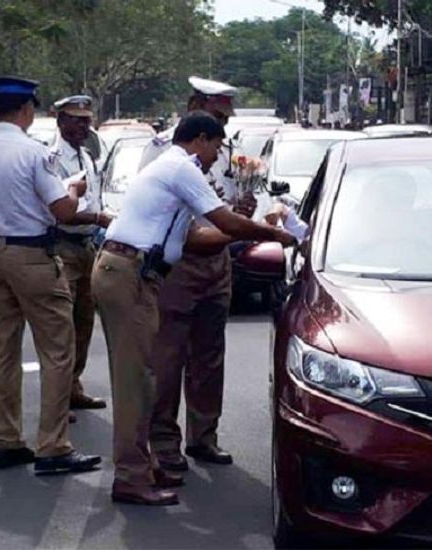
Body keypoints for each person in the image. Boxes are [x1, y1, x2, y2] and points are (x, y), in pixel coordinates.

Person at [93, 111, 297, 506]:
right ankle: (132, 477)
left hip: (133, 270)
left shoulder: (172, 170)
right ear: (199, 139)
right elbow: (226, 223)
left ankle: (144, 464)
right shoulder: (181, 166)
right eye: (215, 147)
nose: (215, 156)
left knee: (144, 376)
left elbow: (198, 231)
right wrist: (272, 232)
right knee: (136, 381)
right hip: (128, 271)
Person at [0, 76, 100, 475]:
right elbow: (64, 212)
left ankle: (5, 441)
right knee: (58, 350)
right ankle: (53, 446)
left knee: (2, 350)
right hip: (33, 255)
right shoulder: (34, 153)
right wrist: (72, 188)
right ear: (26, 110)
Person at [138, 76, 252, 473]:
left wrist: (247, 207)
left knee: (209, 356)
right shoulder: (163, 149)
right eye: (217, 115)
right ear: (194, 106)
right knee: (168, 357)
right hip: (180, 261)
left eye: (225, 117)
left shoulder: (226, 148)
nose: (223, 125)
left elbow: (229, 200)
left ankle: (203, 437)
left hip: (217, 260)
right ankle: (164, 442)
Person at [49, 95, 111, 411]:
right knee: (62, 328)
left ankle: (73, 385)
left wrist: (104, 218)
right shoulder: (50, 157)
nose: (83, 127)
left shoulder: (86, 156)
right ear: (60, 121)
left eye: (86, 121)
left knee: (84, 321)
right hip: (63, 245)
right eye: (76, 120)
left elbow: (95, 201)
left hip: (87, 247)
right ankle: (58, 400)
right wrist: (98, 218)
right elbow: (60, 210)